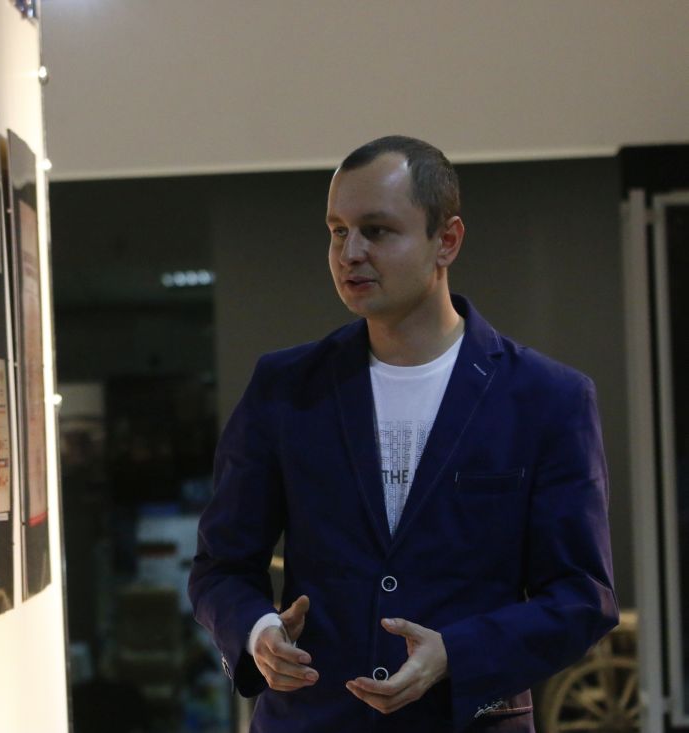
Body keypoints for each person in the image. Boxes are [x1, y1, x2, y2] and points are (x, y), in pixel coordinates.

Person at [187, 136, 617, 732]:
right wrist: (258, 630)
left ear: (447, 241)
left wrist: (456, 653)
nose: (350, 253)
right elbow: (220, 566)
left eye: (377, 231)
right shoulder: (284, 388)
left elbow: (581, 598)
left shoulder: (548, 399)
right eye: (338, 231)